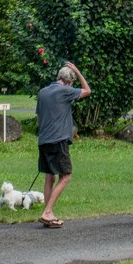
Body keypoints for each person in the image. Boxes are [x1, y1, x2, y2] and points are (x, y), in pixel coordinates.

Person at [34, 60, 90, 228]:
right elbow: (87, 90)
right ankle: (47, 212)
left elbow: (39, 119)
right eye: (73, 81)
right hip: (58, 140)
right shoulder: (65, 91)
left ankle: (48, 215)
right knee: (66, 176)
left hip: (43, 140)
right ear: (70, 81)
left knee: (49, 176)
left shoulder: (43, 92)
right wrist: (78, 71)